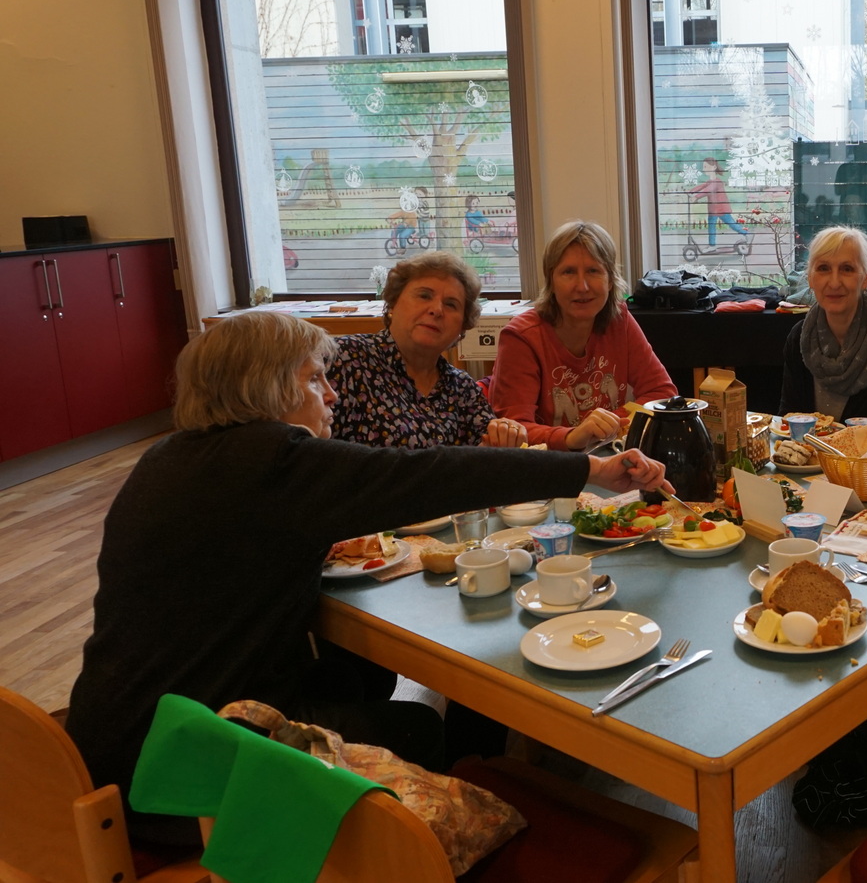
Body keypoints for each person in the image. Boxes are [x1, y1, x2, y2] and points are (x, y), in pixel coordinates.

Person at [64, 311, 671, 844]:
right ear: (266, 386)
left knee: (346, 677)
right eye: (314, 379)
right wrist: (588, 469)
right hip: (185, 774)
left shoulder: (166, 458)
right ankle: (414, 850)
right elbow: (433, 474)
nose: (332, 395)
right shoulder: (275, 463)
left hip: (113, 739)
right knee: (414, 726)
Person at [491, 221, 676, 450]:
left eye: (593, 271)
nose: (582, 286)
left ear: (610, 280)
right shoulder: (521, 337)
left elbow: (661, 392)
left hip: (608, 457)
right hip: (546, 464)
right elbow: (513, 431)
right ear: (551, 281)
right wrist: (573, 436)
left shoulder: (619, 320)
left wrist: (609, 424)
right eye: (568, 272)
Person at [329, 250, 526, 449]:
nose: (437, 310)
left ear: (462, 327)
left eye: (451, 304)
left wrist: (505, 434)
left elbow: (487, 458)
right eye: (424, 296)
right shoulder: (345, 359)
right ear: (393, 304)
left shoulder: (463, 389)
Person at [779, 226, 867, 421]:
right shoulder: (799, 338)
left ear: (866, 278)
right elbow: (788, 422)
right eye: (823, 268)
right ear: (810, 278)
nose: (834, 283)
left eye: (847, 269)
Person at [687, 158, 748, 245]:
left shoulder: (717, 182)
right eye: (703, 167)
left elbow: (708, 190)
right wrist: (691, 191)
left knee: (732, 224)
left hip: (721, 209)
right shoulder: (710, 181)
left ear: (714, 167)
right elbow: (702, 186)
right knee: (711, 228)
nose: (704, 169)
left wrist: (696, 197)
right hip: (713, 210)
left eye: (706, 167)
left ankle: (746, 234)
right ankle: (712, 245)